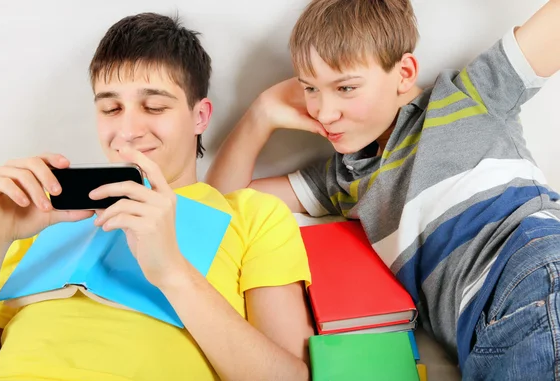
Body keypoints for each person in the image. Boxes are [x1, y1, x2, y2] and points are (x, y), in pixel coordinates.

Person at [207, 0, 560, 379]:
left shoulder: (469, 97)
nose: (324, 112)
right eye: (310, 88)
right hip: (476, 338)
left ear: (404, 72)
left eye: (345, 87)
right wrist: (260, 114)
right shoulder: (345, 180)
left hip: (533, 272)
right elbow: (217, 207)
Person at [0, 13, 314, 381]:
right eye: (111, 109)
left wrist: (172, 271)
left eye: (155, 107)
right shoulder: (33, 217)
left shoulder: (253, 215)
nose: (127, 131)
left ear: (200, 116)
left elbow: (288, 377)